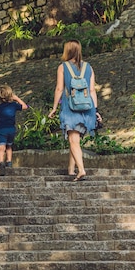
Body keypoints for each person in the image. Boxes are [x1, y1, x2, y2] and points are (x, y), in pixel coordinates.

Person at [48, 40, 102, 181]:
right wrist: (96, 110)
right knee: (75, 140)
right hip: (87, 107)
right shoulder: (89, 67)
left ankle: (81, 170)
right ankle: (71, 169)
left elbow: (59, 88)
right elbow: (91, 90)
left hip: (70, 107)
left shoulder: (62, 67)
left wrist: (54, 107)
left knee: (73, 140)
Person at [0, 85, 28, 176]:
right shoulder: (14, 105)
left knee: (1, 148)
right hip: (11, 129)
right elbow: (25, 106)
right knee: (9, 147)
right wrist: (17, 98)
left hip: (2, 130)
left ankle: (1, 164)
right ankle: (9, 162)